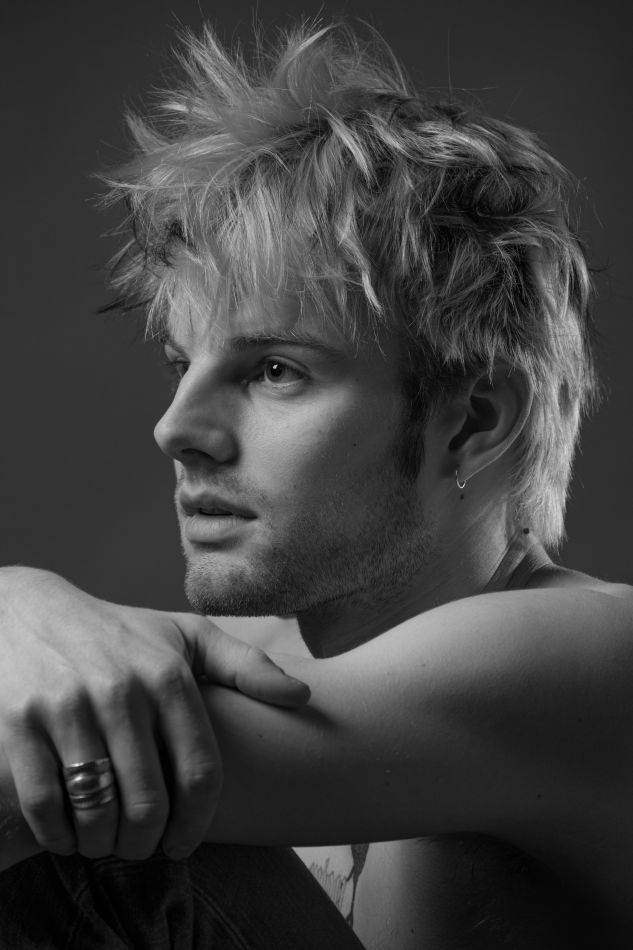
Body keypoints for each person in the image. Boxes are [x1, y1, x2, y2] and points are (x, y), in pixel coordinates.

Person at [1, 18, 631, 949]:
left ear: (473, 422)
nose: (176, 429)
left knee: (91, 816)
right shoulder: (253, 657)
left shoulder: (585, 658)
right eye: (181, 364)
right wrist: (19, 608)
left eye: (274, 371)